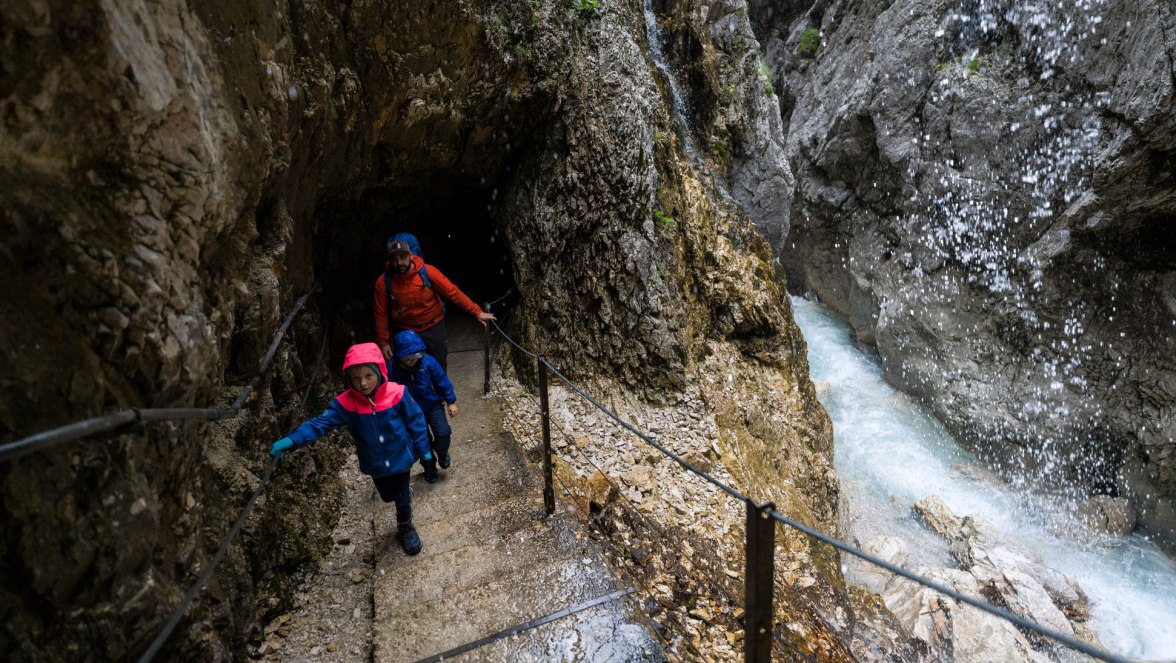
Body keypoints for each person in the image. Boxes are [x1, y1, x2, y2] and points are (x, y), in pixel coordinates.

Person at [269, 342, 433, 556]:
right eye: (356, 378)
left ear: (380, 372)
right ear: (348, 380)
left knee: (401, 498)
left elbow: (416, 420)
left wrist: (423, 449)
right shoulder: (346, 404)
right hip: (374, 462)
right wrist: (292, 441)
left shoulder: (398, 394)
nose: (363, 383)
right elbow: (320, 424)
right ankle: (402, 496)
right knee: (387, 496)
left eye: (368, 376)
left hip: (400, 457)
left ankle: (405, 526)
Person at [374, 237, 497, 371]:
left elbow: (452, 292)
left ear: (410, 256)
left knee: (439, 366)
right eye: (394, 259)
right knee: (408, 370)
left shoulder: (427, 272)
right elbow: (381, 312)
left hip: (433, 326)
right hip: (406, 331)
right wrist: (383, 342)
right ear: (389, 261)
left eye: (402, 257)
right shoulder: (384, 282)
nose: (399, 263)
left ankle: (440, 391)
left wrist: (476, 311)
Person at [391, 330, 459, 481]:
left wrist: (451, 401)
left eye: (416, 356)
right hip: (411, 412)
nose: (412, 360)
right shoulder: (393, 370)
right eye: (408, 358)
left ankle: (442, 452)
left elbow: (442, 381)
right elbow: (388, 392)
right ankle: (429, 466)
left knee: (443, 432)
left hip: (433, 404)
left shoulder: (428, 362)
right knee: (421, 441)